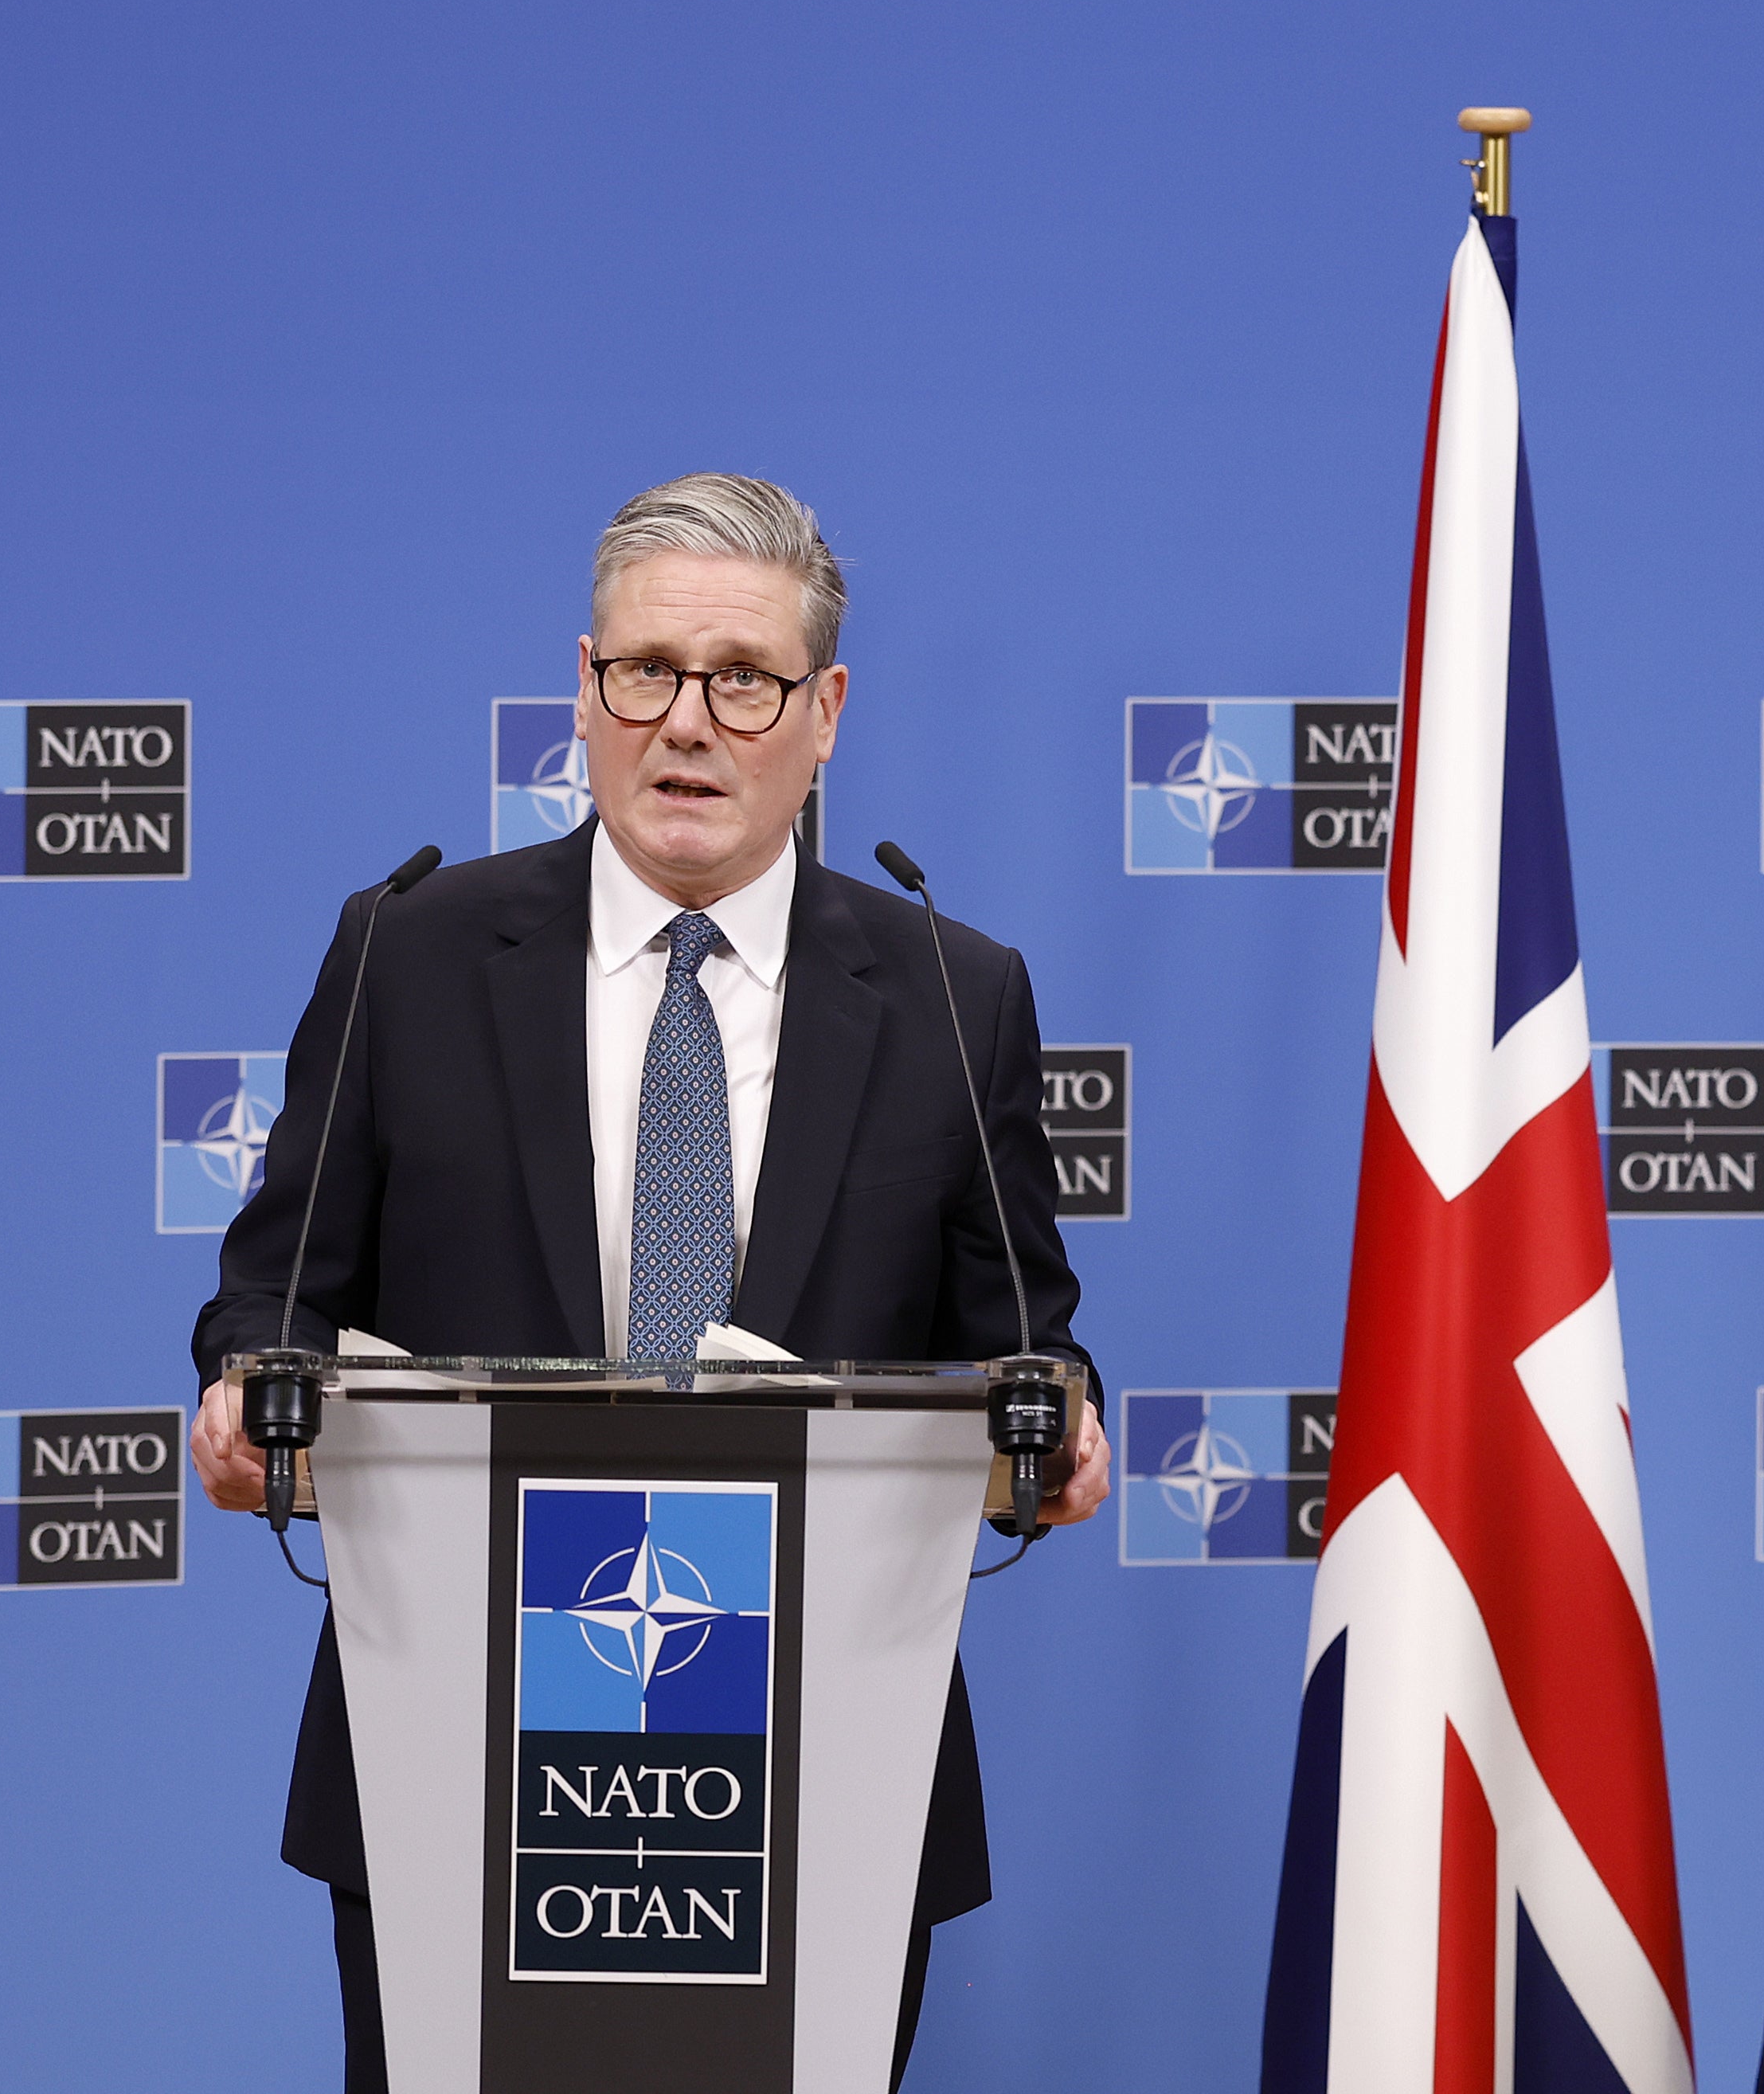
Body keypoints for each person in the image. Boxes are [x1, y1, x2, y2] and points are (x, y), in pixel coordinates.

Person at [188, 472, 1112, 2094]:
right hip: (455, 1755)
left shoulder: (956, 995)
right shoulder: (410, 948)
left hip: (819, 1760)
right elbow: (276, 1299)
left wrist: (1061, 1441)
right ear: (587, 690)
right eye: (646, 673)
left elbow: (1027, 1342)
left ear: (823, 715)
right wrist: (243, 1394)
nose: (688, 723)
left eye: (743, 678)